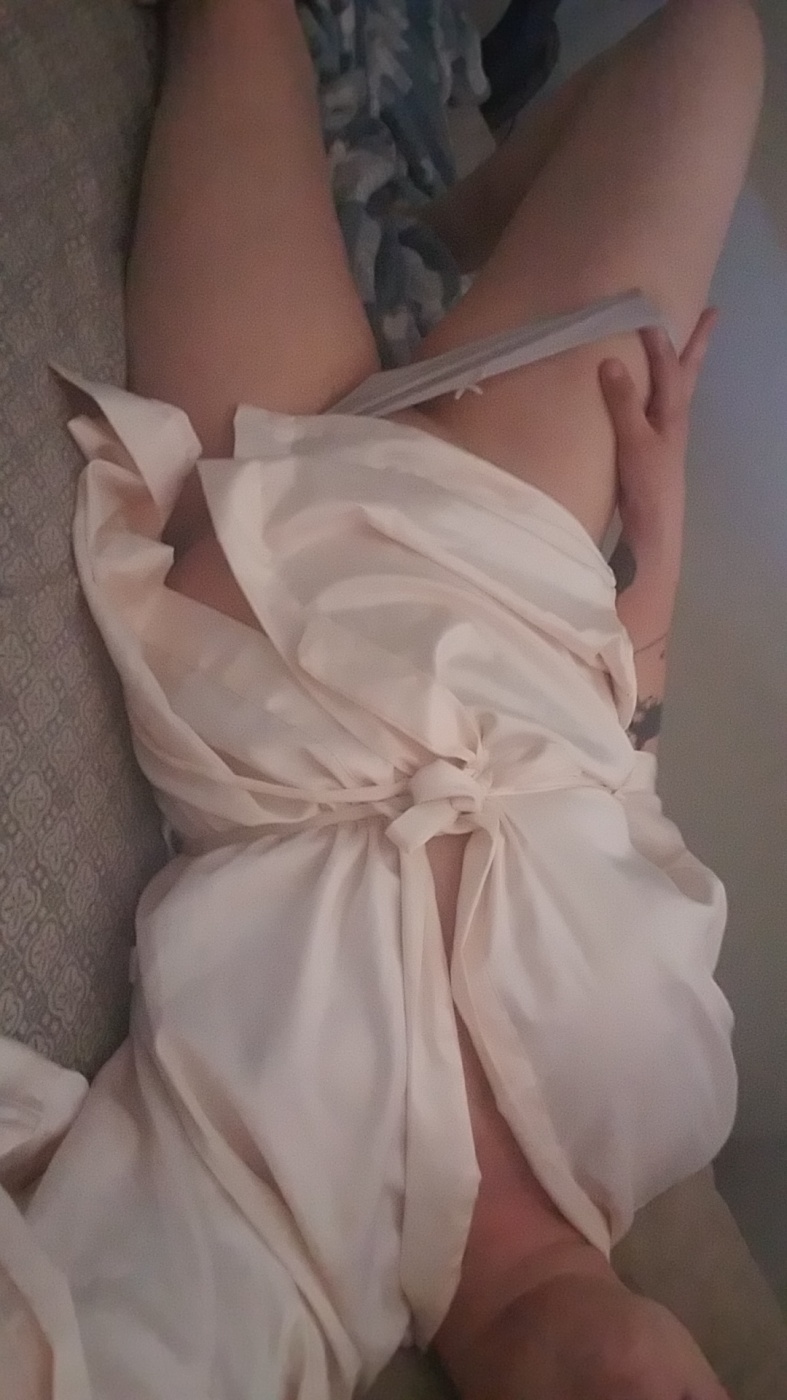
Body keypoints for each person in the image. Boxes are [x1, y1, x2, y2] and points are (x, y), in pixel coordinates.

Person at [0, 1, 765, 1398]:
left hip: (258, 496)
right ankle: (449, 222)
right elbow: (625, 792)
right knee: (716, 44)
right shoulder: (678, 1102)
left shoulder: (281, 1295)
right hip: (517, 536)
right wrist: (654, 564)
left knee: (238, 24)